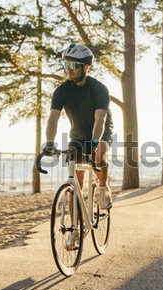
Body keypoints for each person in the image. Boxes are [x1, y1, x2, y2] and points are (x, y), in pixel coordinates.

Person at [43, 44, 113, 210]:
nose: (69, 69)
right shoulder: (62, 91)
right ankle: (74, 232)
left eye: (73, 65)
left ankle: (103, 188)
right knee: (75, 184)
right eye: (66, 65)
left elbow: (100, 120)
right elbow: (52, 120)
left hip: (100, 131)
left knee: (99, 153)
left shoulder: (99, 89)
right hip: (78, 135)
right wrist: (49, 143)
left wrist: (95, 142)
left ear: (86, 67)